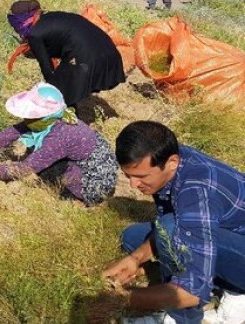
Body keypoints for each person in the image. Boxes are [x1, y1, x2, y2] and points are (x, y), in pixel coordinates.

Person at [102, 121, 245, 323]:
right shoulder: (172, 160)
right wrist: (135, 259)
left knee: (171, 232)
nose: (133, 185)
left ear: (172, 163)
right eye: (128, 176)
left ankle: (180, 319)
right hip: (229, 233)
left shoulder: (196, 191)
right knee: (132, 238)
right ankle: (227, 282)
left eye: (141, 176)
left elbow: (190, 292)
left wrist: (124, 299)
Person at [0, 82, 118, 206]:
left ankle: (73, 197)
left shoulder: (60, 137)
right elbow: (18, 129)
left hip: (95, 184)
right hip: (95, 165)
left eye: (32, 116)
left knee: (45, 169)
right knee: (40, 157)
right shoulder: (56, 119)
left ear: (46, 116)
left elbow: (24, 169)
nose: (27, 120)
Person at [7, 0, 125, 107]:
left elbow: (46, 68)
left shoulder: (35, 34)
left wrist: (53, 90)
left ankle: (68, 125)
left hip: (88, 56)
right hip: (109, 50)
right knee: (65, 79)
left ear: (21, 21)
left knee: (61, 95)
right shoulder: (53, 17)